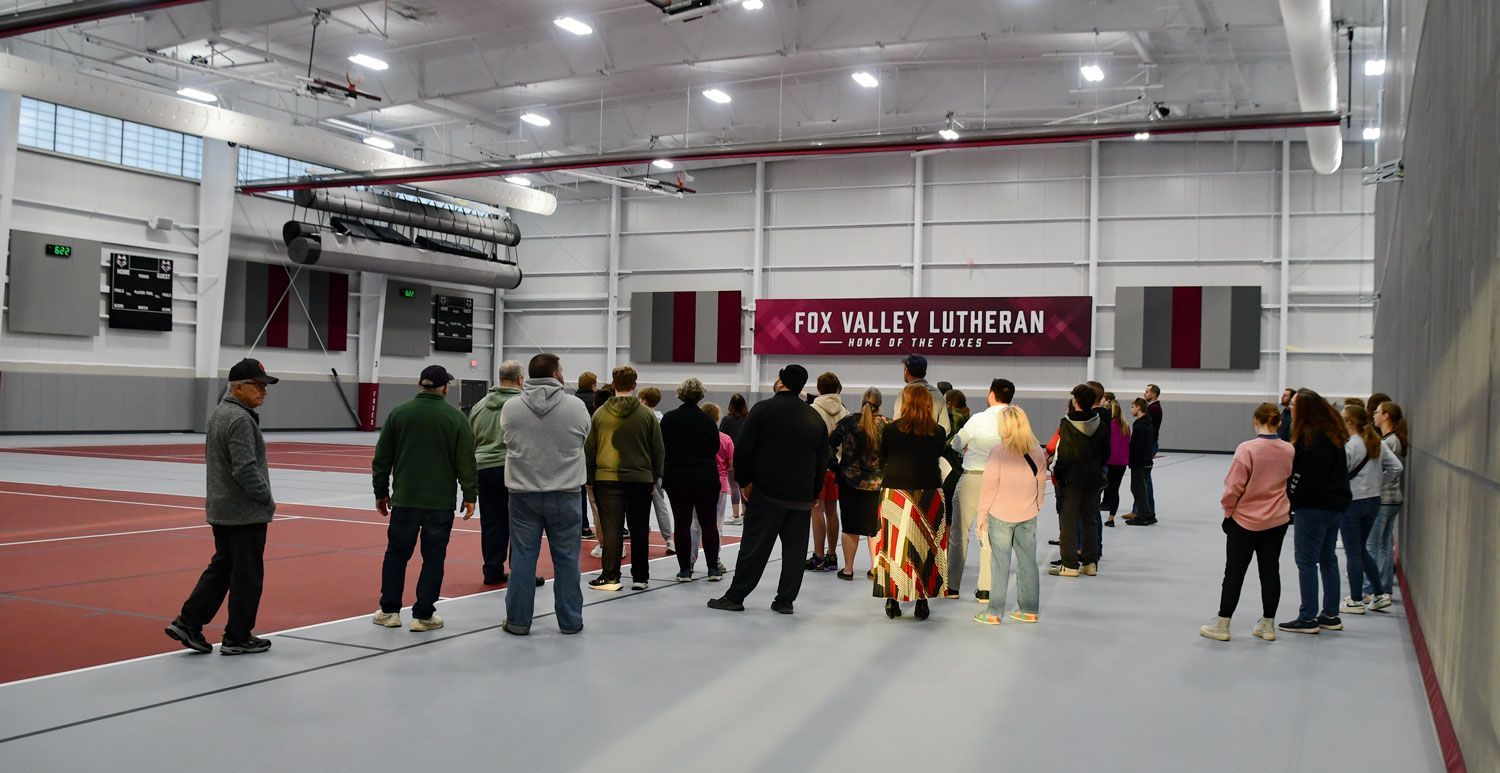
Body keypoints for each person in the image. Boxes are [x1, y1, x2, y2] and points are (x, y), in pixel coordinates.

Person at [165, 358, 280, 656]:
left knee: (223, 568)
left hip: (222, 508)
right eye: (258, 386)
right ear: (238, 388)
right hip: (244, 512)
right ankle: (238, 636)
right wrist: (265, 497)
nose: (263, 391)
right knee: (247, 576)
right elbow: (245, 468)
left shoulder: (220, 414)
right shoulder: (240, 419)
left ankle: (188, 622)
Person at [708, 365, 828, 614]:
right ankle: (785, 600)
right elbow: (821, 460)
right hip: (800, 496)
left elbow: (743, 449)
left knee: (754, 547)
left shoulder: (763, 410)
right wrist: (814, 492)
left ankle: (736, 595)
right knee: (795, 553)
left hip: (767, 493)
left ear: (782, 382)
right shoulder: (814, 417)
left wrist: (745, 482)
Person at [372, 365, 478, 633]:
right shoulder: (455, 418)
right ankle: (422, 615)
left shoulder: (399, 413)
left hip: (406, 500)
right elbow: (466, 462)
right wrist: (469, 495)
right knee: (433, 558)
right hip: (439, 504)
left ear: (421, 385)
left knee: (396, 555)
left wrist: (381, 492)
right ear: (444, 388)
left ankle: (390, 611)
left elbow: (382, 459)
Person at [498, 353, 592, 636]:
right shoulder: (575, 406)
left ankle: (517, 621)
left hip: (523, 494)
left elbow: (508, 439)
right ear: (555, 373)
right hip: (565, 493)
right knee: (566, 559)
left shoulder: (511, 407)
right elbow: (582, 438)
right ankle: (570, 620)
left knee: (523, 559)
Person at [1200, 404, 1294, 643]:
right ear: (1279, 423)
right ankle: (1268, 625)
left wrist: (1228, 512)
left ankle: (1223, 624)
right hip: (1277, 519)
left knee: (1234, 572)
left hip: (1245, 520)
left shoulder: (1247, 449)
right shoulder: (1289, 449)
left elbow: (1233, 487)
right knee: (1270, 571)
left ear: (1255, 421)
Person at [1278, 389, 1353, 634]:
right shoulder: (1333, 434)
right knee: (1327, 558)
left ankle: (1308, 617)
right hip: (1335, 505)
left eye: (1295, 405)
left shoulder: (1310, 439)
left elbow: (1303, 476)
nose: (1291, 408)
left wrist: (1291, 497)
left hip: (1314, 507)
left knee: (1307, 560)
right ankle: (1330, 614)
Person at [873, 383, 950, 621]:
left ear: (905, 404)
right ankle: (922, 601)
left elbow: (882, 457)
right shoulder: (937, 432)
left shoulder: (891, 430)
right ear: (929, 405)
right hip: (929, 492)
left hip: (895, 491)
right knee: (926, 547)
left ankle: (892, 599)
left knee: (893, 546)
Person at [586, 366, 665, 591]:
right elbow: (658, 450)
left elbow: (589, 448)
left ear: (613, 384)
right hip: (640, 478)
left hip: (607, 478)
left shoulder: (600, 414)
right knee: (639, 528)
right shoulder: (647, 414)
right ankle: (640, 576)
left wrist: (590, 476)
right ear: (634, 385)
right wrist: (655, 477)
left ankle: (610, 575)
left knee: (612, 528)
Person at [468, 359, 541, 587]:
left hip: (484, 469)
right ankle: (521, 572)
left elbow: (472, 439)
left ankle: (492, 570)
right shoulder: (523, 405)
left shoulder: (479, 406)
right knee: (521, 522)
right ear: (520, 380)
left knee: (491, 523)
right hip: (514, 469)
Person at [973, 406, 1047, 625]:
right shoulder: (1036, 450)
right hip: (1027, 514)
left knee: (1000, 563)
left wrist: (981, 517)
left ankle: (994, 611)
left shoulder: (998, 451)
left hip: (1000, 515)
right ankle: (1029, 609)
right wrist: (1037, 505)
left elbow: (989, 488)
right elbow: (1040, 482)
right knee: (1028, 563)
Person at [948, 378, 1013, 601]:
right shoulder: (1015, 420)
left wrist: (967, 448)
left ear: (992, 395)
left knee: (959, 533)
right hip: (1001, 480)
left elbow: (957, 443)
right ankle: (985, 588)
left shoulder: (978, 419)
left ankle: (952, 587)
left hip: (973, 477)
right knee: (990, 533)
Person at [1337, 405, 1403, 616]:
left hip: (1353, 502)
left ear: (1349, 423)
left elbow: (1339, 474)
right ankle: (1379, 593)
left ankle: (1356, 599)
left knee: (1353, 552)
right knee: (1362, 549)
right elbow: (1396, 468)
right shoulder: (1375, 442)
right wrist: (1377, 482)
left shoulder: (1350, 447)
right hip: (1373, 501)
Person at [661, 378, 724, 582]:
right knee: (708, 524)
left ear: (680, 394)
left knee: (682, 524)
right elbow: (714, 447)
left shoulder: (669, 419)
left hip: (678, 477)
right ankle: (713, 568)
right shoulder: (707, 421)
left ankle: (685, 570)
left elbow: (663, 447)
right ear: (700, 396)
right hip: (705, 476)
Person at [828, 387, 890, 580]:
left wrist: (837, 468)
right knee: (875, 528)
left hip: (849, 481)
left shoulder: (848, 422)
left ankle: (848, 569)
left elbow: (828, 446)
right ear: (879, 404)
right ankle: (875, 569)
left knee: (850, 526)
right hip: (878, 484)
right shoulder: (888, 425)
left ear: (862, 401)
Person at [1049, 384, 1109, 576]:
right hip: (1093, 479)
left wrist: (1056, 471)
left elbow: (1063, 454)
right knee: (1089, 519)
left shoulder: (1067, 423)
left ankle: (1070, 564)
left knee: (1067, 522)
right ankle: (1091, 563)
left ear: (1076, 401)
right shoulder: (1100, 421)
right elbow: (1106, 452)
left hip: (1072, 480)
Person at [1366, 401, 1407, 608]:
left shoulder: (1388, 442)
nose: (1374, 415)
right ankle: (1384, 588)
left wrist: (1375, 482)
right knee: (1384, 545)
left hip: (1384, 499)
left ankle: (1373, 589)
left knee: (1374, 545)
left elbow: (1393, 469)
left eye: (1377, 412)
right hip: (1393, 499)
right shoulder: (1391, 440)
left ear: (1387, 416)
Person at [808, 372, 850, 571]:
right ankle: (832, 555)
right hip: (838, 467)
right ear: (838, 388)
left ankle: (818, 556)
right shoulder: (845, 411)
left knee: (817, 509)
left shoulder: (813, 409)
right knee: (833, 512)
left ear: (819, 389)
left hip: (818, 466)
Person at [638, 386, 677, 555]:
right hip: (659, 467)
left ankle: (642, 536)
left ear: (644, 400)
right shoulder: (663, 419)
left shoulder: (641, 419)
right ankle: (669, 540)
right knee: (660, 504)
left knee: (638, 505)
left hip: (643, 467)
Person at [699, 402, 734, 573]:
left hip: (699, 482)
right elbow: (730, 464)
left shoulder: (697, 437)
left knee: (694, 525)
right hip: (719, 484)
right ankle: (715, 561)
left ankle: (689, 562)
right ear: (717, 418)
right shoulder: (725, 439)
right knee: (716, 525)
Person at [575, 372, 600, 539]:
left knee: (578, 492)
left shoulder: (572, 402)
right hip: (594, 452)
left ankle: (582, 526)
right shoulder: (597, 404)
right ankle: (602, 528)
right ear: (593, 385)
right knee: (596, 494)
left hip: (575, 452)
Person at [1125, 398, 1158, 526]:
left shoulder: (1140, 424)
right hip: (1146, 461)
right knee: (1141, 489)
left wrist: (1131, 459)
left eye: (1132, 407)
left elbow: (1136, 446)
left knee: (1138, 489)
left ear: (1139, 407)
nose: (1131, 409)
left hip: (1140, 462)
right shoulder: (1148, 423)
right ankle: (1149, 514)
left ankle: (1142, 516)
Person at [720, 394, 751, 525]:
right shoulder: (748, 419)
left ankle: (736, 515)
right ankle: (745, 513)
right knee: (744, 485)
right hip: (746, 457)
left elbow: (720, 436)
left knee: (734, 487)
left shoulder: (727, 420)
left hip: (732, 456)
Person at [1102, 394, 1130, 527]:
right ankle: (1111, 517)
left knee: (1100, 488)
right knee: (1115, 490)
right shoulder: (1125, 426)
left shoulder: (1108, 425)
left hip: (1110, 461)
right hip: (1121, 463)